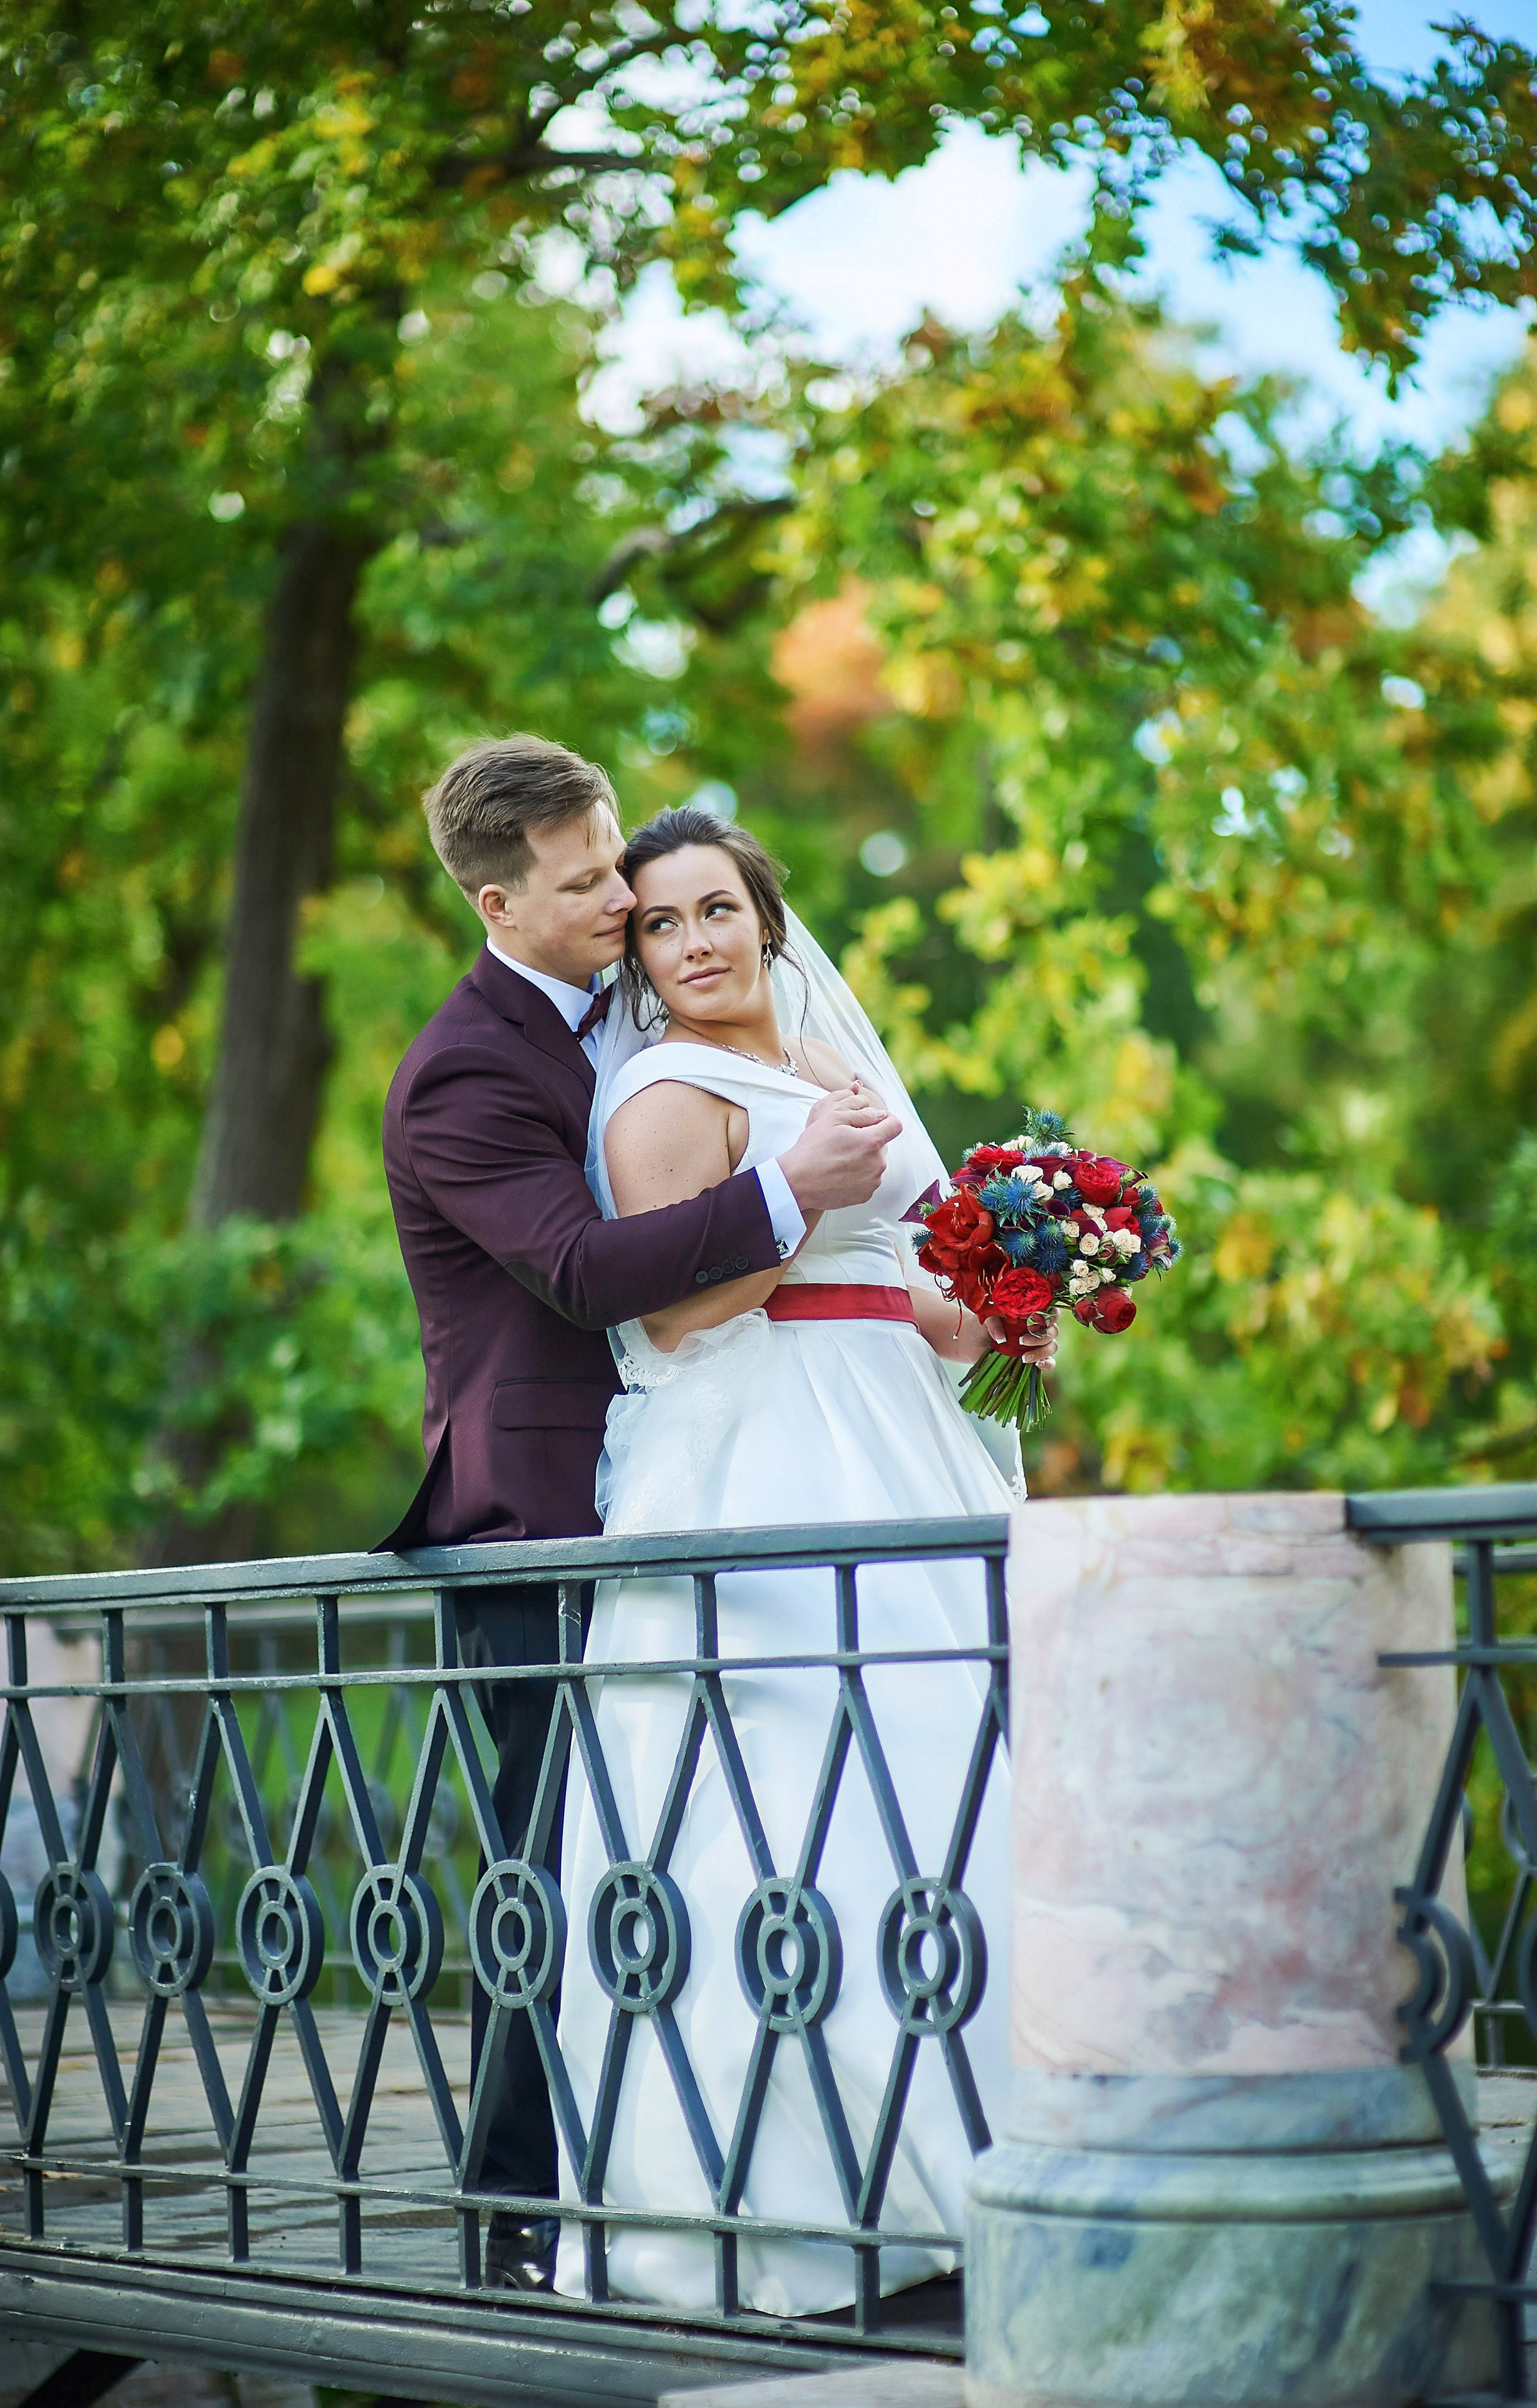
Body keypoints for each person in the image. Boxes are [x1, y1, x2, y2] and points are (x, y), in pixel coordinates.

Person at [379, 738, 901, 2292]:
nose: (624, 897)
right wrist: (796, 1189)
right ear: (495, 903)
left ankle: (718, 2154)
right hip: (530, 1512)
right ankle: (511, 2222)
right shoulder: (465, 1069)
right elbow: (588, 1272)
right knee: (553, 1860)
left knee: (679, 1838)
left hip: (676, 1477)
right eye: (589, 880)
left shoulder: (615, 998)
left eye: (621, 862)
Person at [551, 806, 1053, 2317]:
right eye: (657, 924)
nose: (692, 943)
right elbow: (673, 1319)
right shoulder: (662, 1092)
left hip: (896, 1430)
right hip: (761, 1446)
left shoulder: (830, 1072)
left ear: (766, 916)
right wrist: (815, 1201)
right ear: (634, 955)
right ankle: (785, 2200)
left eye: (714, 910)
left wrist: (1001, 1308)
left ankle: (983, 2164)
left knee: (950, 1775)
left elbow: (903, 1284)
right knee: (782, 1794)